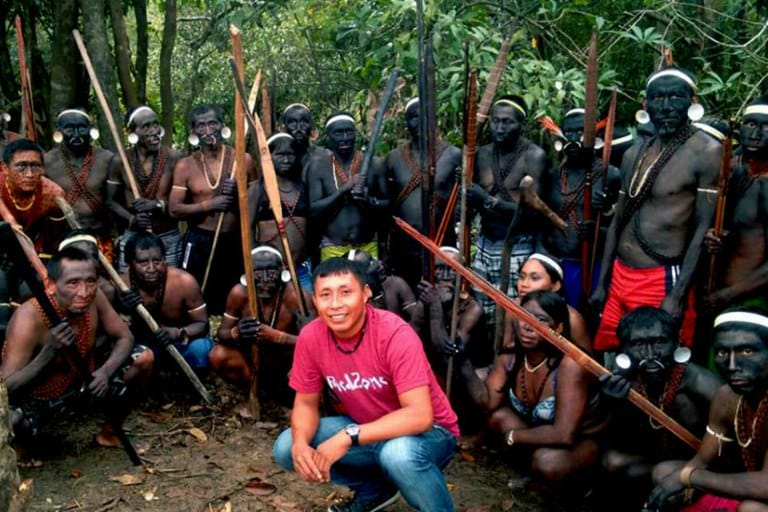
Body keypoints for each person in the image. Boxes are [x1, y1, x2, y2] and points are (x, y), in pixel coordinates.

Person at [272, 257, 459, 512]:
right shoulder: (311, 337)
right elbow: (305, 403)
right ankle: (375, 490)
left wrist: (348, 436)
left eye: (345, 292)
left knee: (398, 453)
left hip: (431, 433)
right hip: (368, 428)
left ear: (365, 294)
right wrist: (300, 444)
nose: (335, 304)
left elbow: (420, 416)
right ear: (314, 300)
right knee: (286, 447)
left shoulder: (394, 333)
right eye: (325, 295)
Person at [591, 67, 722, 353]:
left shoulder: (707, 151)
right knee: (614, 355)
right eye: (658, 98)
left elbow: (702, 229)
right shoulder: (633, 153)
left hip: (661, 278)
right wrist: (603, 282)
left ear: (692, 101)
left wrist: (678, 294)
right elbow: (618, 221)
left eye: (675, 97)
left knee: (656, 359)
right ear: (645, 104)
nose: (666, 106)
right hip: (620, 274)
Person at [1, 247, 153, 451]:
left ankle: (110, 433)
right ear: (51, 285)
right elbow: (6, 387)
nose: (84, 292)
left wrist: (105, 372)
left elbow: (125, 337)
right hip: (38, 398)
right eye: (73, 283)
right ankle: (23, 449)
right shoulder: (28, 318)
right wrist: (48, 353)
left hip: (82, 385)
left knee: (143, 357)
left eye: (90, 281)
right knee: (13, 419)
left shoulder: (94, 297)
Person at [459, 291, 608, 490]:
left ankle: (564, 485)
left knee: (546, 462)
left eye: (541, 320)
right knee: (498, 418)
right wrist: (463, 361)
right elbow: (488, 404)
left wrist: (513, 437)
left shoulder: (570, 365)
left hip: (580, 441)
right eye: (524, 316)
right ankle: (529, 467)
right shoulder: (511, 358)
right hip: (541, 435)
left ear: (558, 328)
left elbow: (564, 434)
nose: (528, 326)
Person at [645, 309, 768, 512]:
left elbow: (765, 485)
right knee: (664, 472)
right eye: (722, 352)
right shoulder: (727, 397)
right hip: (753, 487)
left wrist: (689, 477)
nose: (732, 365)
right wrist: (683, 477)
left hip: (760, 494)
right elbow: (702, 461)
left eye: (747, 351)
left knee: (751, 509)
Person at [597, 306, 720, 509]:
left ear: (676, 343)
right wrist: (611, 403)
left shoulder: (699, 382)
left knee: (663, 472)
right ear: (623, 350)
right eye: (638, 344)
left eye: (659, 342)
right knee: (613, 461)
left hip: (704, 465)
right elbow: (616, 439)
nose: (650, 354)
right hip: (652, 460)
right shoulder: (623, 382)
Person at [469, 95, 546, 334]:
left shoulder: (533, 156)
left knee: (517, 316)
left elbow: (535, 211)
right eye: (495, 121)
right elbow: (471, 202)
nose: (499, 127)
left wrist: (488, 200)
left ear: (521, 124)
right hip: (485, 245)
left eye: (507, 122)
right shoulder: (481, 154)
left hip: (518, 246)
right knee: (483, 313)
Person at [169, 104, 256, 314]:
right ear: (193, 131)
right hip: (199, 239)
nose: (208, 130)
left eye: (212, 123)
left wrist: (239, 192)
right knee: (197, 293)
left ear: (222, 126)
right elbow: (174, 209)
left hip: (234, 239)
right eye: (201, 126)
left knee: (235, 295)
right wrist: (209, 205)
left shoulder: (243, 160)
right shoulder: (185, 166)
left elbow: (258, 202)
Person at [211, 246, 313, 408]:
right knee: (218, 355)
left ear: (282, 271)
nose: (265, 279)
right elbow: (222, 333)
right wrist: (236, 332)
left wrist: (278, 337)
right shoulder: (239, 294)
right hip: (253, 364)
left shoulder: (297, 298)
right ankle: (257, 391)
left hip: (288, 366)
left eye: (271, 272)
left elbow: (315, 344)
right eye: (258, 272)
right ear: (248, 273)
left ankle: (292, 397)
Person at [540, 108, 621, 308]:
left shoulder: (610, 175)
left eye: (580, 131)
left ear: (595, 134)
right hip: (554, 262)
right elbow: (541, 221)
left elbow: (620, 226)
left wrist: (600, 230)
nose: (574, 138)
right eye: (569, 132)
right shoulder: (553, 176)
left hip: (590, 265)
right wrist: (542, 257)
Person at [385, 97, 462, 289]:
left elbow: (464, 199)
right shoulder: (393, 158)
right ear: (406, 122)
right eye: (414, 117)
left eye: (426, 117)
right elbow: (388, 205)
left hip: (442, 245)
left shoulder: (453, 155)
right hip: (404, 247)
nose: (420, 123)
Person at [703, 98, 768, 314]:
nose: (755, 134)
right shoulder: (736, 173)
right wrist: (712, 237)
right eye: (750, 124)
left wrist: (728, 295)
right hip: (718, 294)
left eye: (766, 127)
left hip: (750, 303)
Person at [117, 231, 212, 374]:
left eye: (157, 261)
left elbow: (203, 324)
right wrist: (124, 310)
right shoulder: (119, 286)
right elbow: (114, 332)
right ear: (130, 264)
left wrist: (179, 333)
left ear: (165, 260)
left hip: (178, 345)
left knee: (201, 348)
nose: (152, 269)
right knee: (137, 358)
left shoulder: (184, 282)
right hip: (142, 348)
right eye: (143, 263)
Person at [416, 246, 485, 432]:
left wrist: (435, 309)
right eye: (439, 269)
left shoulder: (472, 308)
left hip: (463, 374)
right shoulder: (426, 300)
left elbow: (449, 354)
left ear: (462, 275)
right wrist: (425, 306)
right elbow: (408, 339)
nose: (446, 276)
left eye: (452, 270)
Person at [0, 139, 64, 337]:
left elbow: (56, 238)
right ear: (5, 168)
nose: (29, 174)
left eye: (35, 166)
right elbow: (11, 227)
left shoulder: (53, 193)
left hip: (33, 253)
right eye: (21, 167)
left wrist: (47, 273)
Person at [44, 109, 125, 262]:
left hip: (100, 237)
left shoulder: (107, 159)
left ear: (90, 129)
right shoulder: (47, 161)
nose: (76, 134)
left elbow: (117, 200)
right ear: (59, 131)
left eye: (81, 128)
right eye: (69, 129)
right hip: (63, 239)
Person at [306, 112, 389, 261]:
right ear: (328, 137)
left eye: (349, 132)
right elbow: (314, 210)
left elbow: (388, 205)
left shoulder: (375, 164)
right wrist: (343, 190)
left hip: (368, 246)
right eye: (338, 133)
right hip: (332, 247)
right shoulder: (318, 167)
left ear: (355, 134)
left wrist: (369, 200)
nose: (344, 138)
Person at [117, 105, 183, 272]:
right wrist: (132, 220)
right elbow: (110, 202)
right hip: (133, 235)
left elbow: (185, 201)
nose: (154, 130)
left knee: (170, 281)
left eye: (155, 124)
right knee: (128, 281)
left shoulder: (174, 158)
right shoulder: (121, 160)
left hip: (167, 235)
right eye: (146, 126)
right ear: (132, 132)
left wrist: (157, 205)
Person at [248, 133, 312, 291]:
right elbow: (248, 228)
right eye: (280, 155)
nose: (286, 160)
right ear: (268, 157)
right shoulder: (258, 189)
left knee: (307, 302)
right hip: (270, 270)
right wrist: (255, 259)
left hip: (302, 267)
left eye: (290, 155)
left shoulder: (302, 187)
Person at [501, 253, 592, 352]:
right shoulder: (514, 307)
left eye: (535, 278)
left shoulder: (572, 318)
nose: (524, 284)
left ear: (555, 286)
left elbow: (586, 359)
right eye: (522, 277)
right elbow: (507, 347)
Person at [345, 249, 422, 326]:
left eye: (373, 259)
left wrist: (422, 302)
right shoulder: (353, 300)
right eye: (370, 264)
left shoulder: (395, 284)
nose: (379, 265)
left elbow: (417, 322)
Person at [280, 103, 327, 170]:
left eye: (304, 122)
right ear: (283, 127)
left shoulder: (324, 156)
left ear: (311, 126)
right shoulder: (276, 159)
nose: (299, 128)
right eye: (292, 122)